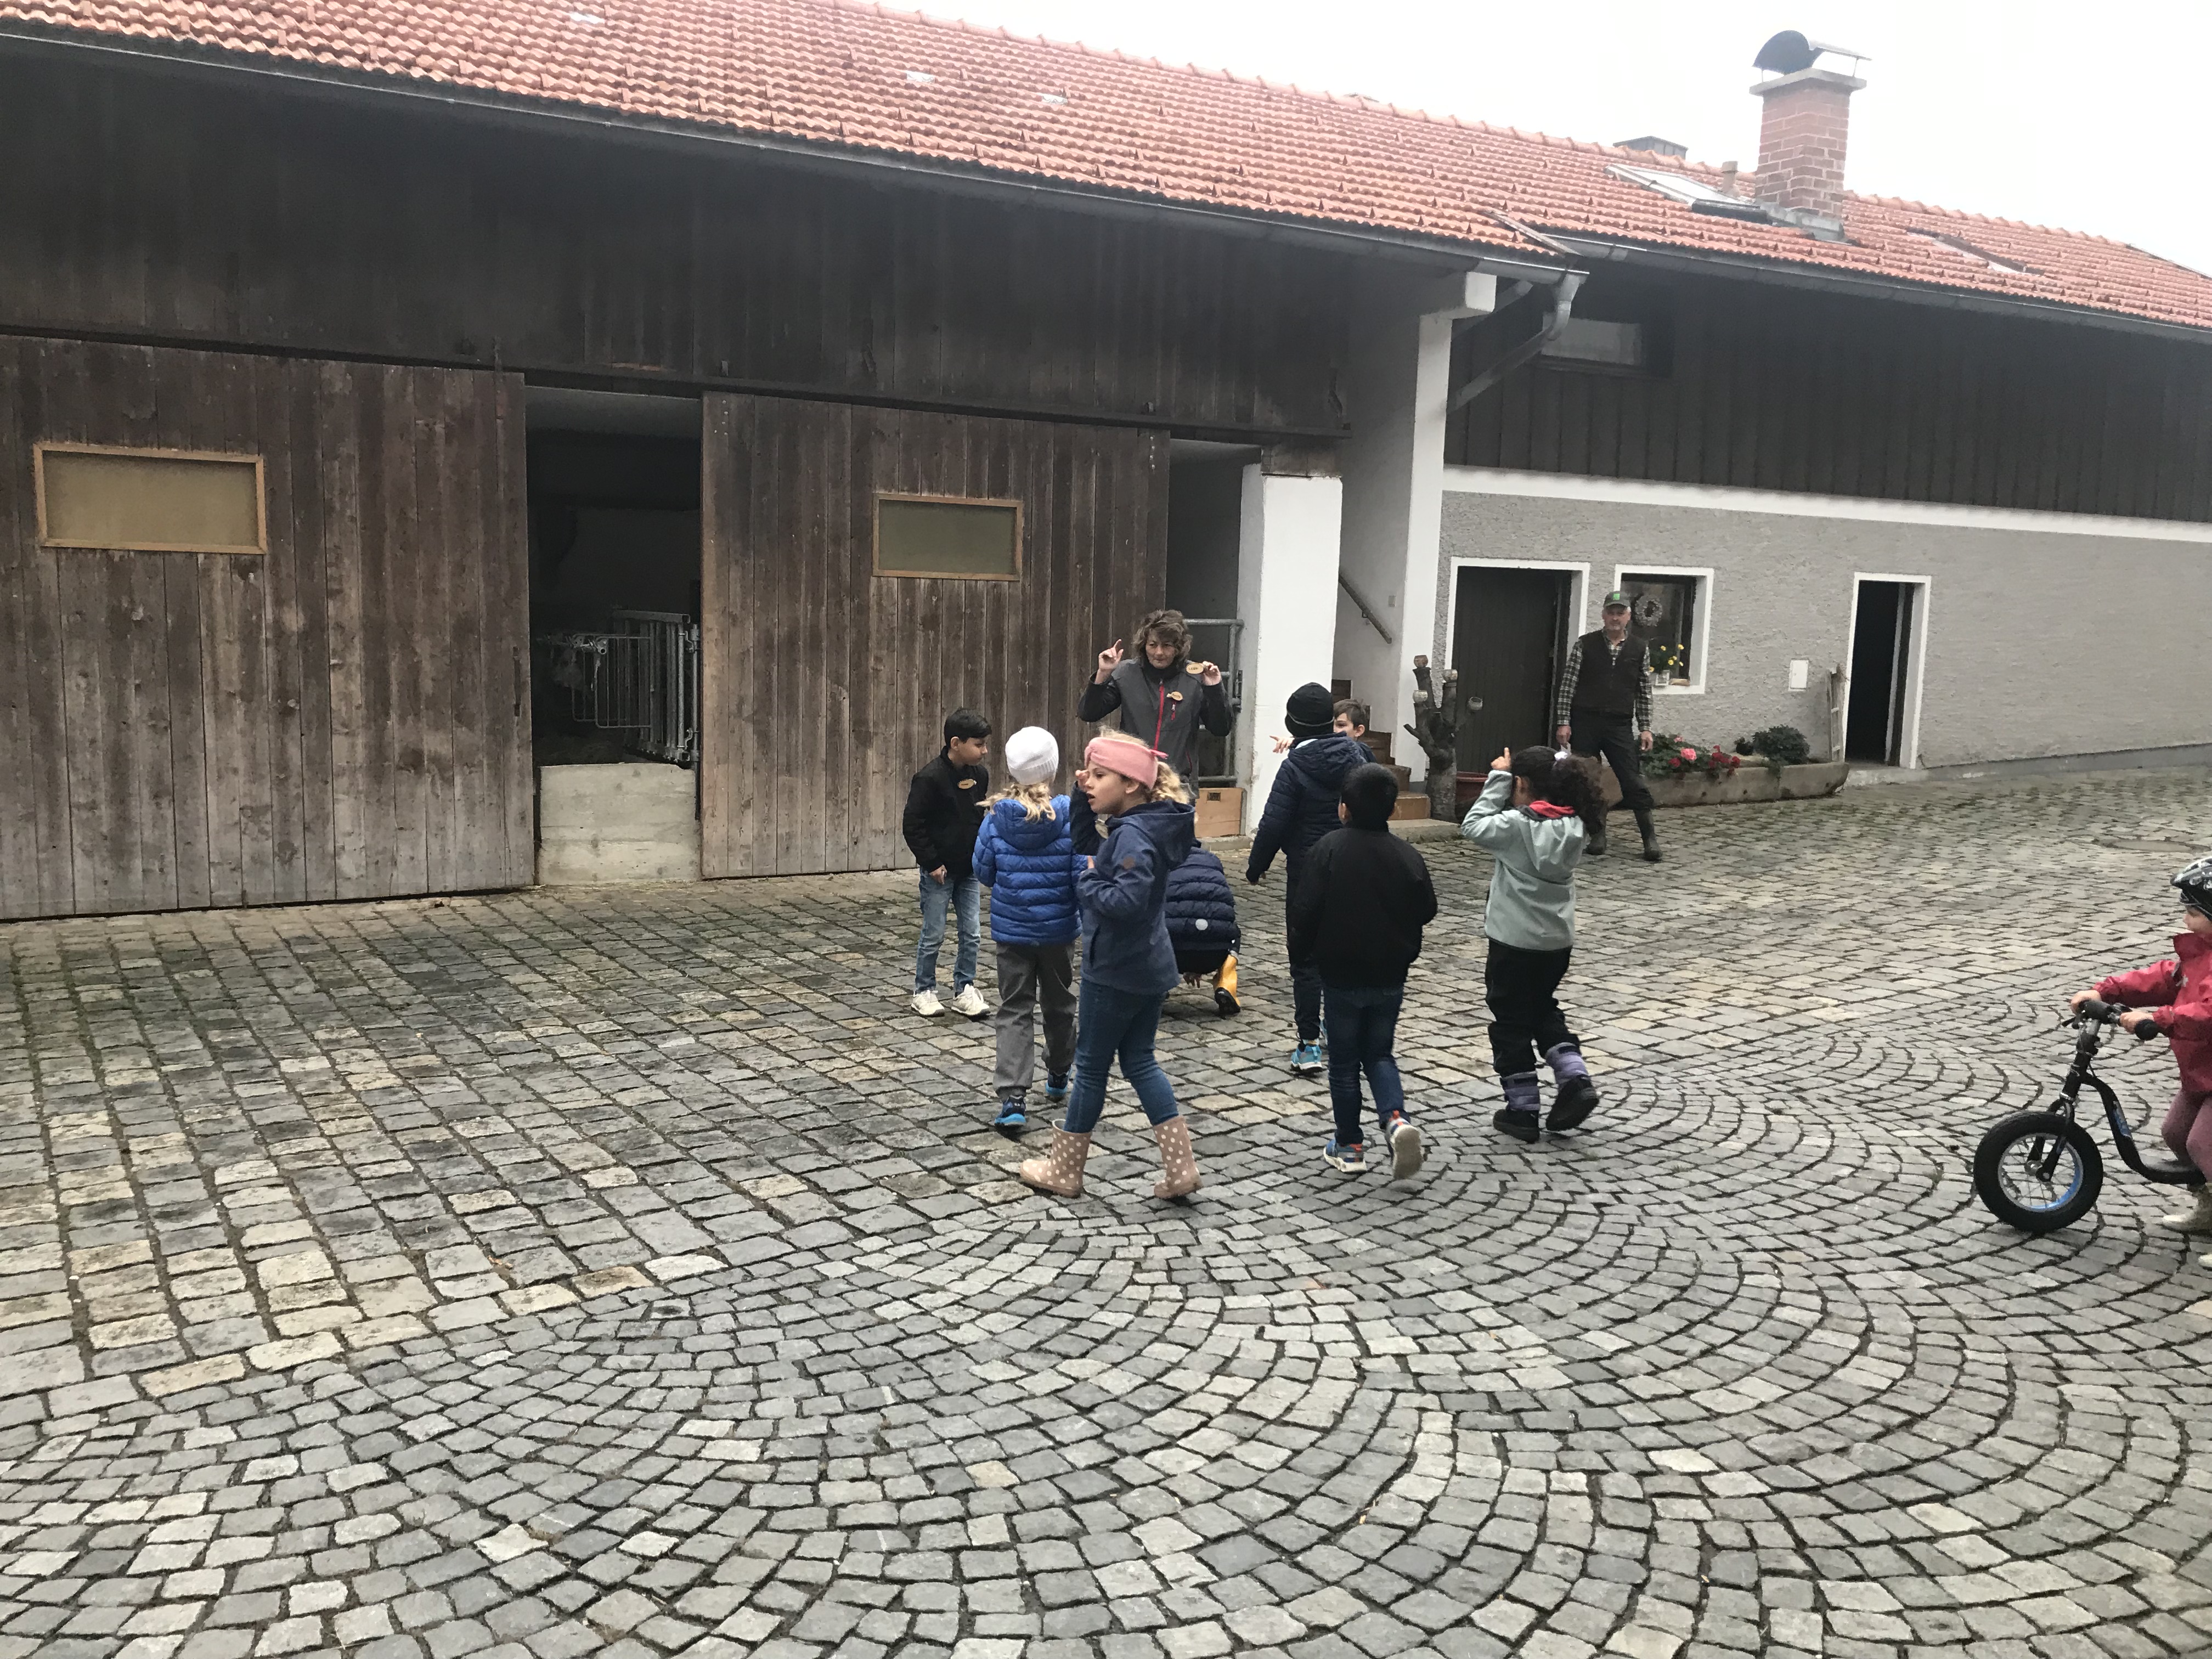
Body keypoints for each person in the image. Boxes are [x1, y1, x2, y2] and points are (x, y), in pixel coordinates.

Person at [1019, 735, 1201, 1201]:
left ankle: (1065, 1170)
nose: (1090, 782)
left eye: (1100, 776)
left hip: (1116, 970)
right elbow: (1084, 840)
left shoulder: (1132, 837)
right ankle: (1181, 1168)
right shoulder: (1146, 825)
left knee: (1090, 1068)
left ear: (1133, 784)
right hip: (1150, 965)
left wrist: (1087, 883)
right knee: (1140, 1060)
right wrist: (1084, 789)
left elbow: (1126, 899)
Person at [1288, 763, 1436, 1179]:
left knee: (1344, 1062)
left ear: (1343, 808)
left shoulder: (1328, 850)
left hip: (1341, 974)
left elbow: (1305, 911)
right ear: (1393, 809)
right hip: (1390, 973)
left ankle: (1350, 1144)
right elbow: (1426, 909)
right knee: (1380, 1053)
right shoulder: (1407, 855)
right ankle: (1396, 1120)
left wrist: (1301, 955)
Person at [1460, 745, 1605, 1142]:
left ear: (1521, 784)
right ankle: (1574, 1078)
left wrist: (1497, 778)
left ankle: (1522, 1109)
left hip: (1513, 941)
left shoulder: (1515, 826)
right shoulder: (1576, 825)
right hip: (1556, 942)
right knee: (1541, 1005)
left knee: (1510, 1019)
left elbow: (1473, 825)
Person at [2070, 857, 2212, 1243]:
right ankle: (2209, 1208)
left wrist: (2158, 1019)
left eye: (2193, 913)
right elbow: (2165, 978)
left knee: (2204, 1144)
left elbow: (2206, 1013)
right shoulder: (2201, 953)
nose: (2185, 921)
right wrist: (2105, 991)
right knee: (2177, 1134)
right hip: (2202, 1072)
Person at [1248, 682, 1373, 1074]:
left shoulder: (1296, 766)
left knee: (1305, 957)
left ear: (1293, 725)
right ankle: (1341, 1030)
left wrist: (1257, 864)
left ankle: (1308, 1044)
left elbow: (1274, 821)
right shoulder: (1361, 757)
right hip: (1353, 866)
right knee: (1344, 952)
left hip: (1307, 870)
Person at [974, 728, 1080, 1137]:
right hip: (1058, 932)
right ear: (1052, 768)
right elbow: (1080, 876)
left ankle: (1013, 1097)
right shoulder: (1070, 817)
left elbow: (984, 871)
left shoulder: (996, 818)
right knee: (1060, 1004)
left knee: (1015, 1008)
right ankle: (1059, 1071)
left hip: (1012, 932)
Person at [1554, 590, 1662, 864]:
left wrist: (1646, 727)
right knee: (1587, 781)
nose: (1615, 618)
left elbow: (1643, 691)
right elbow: (1568, 685)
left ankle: (1649, 839)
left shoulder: (1639, 648)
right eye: (1611, 612)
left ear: (1628, 617)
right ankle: (1597, 835)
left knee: (1632, 780)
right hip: (1586, 721)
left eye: (1620, 613)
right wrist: (1564, 721)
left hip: (1619, 725)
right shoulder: (1585, 644)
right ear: (1603, 615)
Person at [902, 709, 991, 1018]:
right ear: (956, 743)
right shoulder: (929, 778)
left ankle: (964, 989)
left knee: (973, 933)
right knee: (934, 934)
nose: (985, 751)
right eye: (978, 744)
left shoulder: (980, 776)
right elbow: (913, 825)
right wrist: (932, 863)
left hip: (969, 871)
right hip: (939, 873)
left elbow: (977, 818)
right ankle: (924, 990)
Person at [1080, 608, 1231, 781]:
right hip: (1133, 779)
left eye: (1167, 646)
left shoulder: (1195, 678)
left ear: (1178, 648)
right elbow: (1089, 713)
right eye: (1153, 645)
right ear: (1144, 645)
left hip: (1178, 782)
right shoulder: (1126, 674)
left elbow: (1221, 729)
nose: (1159, 652)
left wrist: (1215, 689)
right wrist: (1103, 674)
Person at [1167, 844, 1242, 1017]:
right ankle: (1226, 982)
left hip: (1172, 953)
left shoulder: (1162, 859)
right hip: (1214, 953)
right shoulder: (1212, 860)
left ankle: (1156, 985)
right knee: (1233, 931)